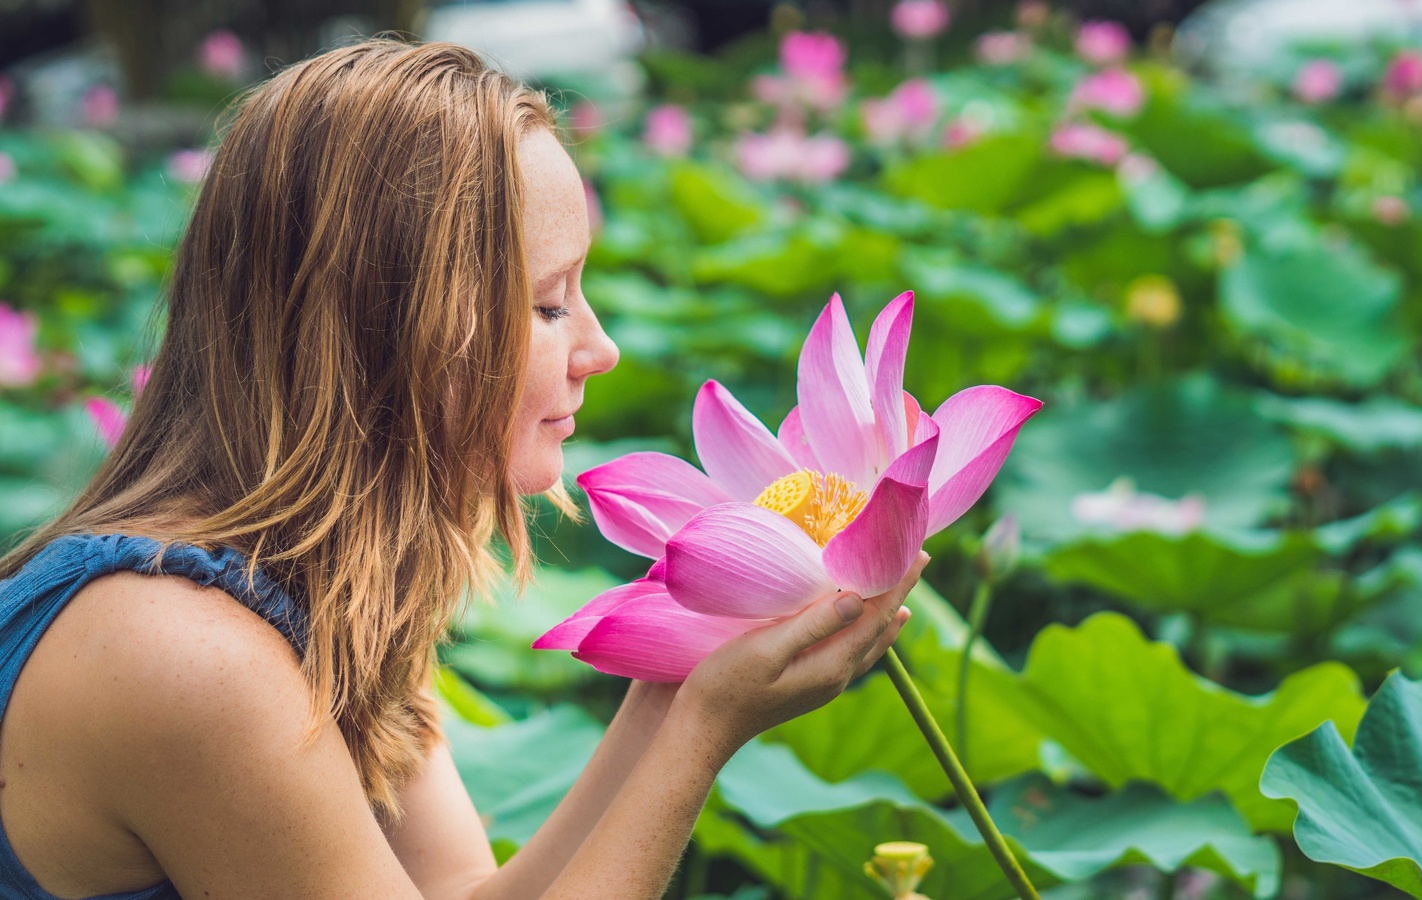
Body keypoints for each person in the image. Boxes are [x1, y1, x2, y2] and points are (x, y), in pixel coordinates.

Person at [0, 38, 920, 899]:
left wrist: (669, 695)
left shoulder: (326, 593)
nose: (599, 348)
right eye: (551, 304)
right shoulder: (189, 654)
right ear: (393, 332)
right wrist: (703, 736)